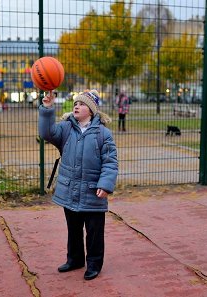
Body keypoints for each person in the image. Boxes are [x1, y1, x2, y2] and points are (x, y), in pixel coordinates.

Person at [38, 89, 118, 281]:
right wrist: (47, 109)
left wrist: (106, 184)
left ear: (91, 110)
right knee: (73, 229)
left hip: (93, 192)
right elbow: (47, 133)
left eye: (81, 104)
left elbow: (110, 162)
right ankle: (75, 259)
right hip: (70, 190)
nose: (77, 106)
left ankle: (94, 264)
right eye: (75, 103)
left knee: (94, 233)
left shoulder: (103, 134)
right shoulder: (66, 128)